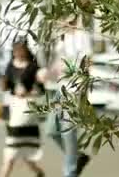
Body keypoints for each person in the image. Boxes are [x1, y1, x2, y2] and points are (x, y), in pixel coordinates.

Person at [40, 17, 92, 177]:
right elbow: (57, 64)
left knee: (68, 132)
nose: (60, 21)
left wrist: (82, 88)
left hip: (73, 89)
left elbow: (87, 62)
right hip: (58, 89)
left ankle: (69, 173)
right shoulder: (62, 38)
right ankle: (78, 156)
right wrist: (47, 74)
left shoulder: (81, 36)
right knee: (51, 130)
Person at [0, 41, 46, 177]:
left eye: (20, 50)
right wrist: (3, 82)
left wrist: (27, 93)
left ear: (25, 51)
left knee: (12, 151)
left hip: (26, 111)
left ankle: (6, 172)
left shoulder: (33, 67)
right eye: (15, 50)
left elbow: (41, 91)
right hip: (13, 109)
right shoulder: (10, 65)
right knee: (24, 153)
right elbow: (6, 87)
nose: (17, 53)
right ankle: (39, 172)